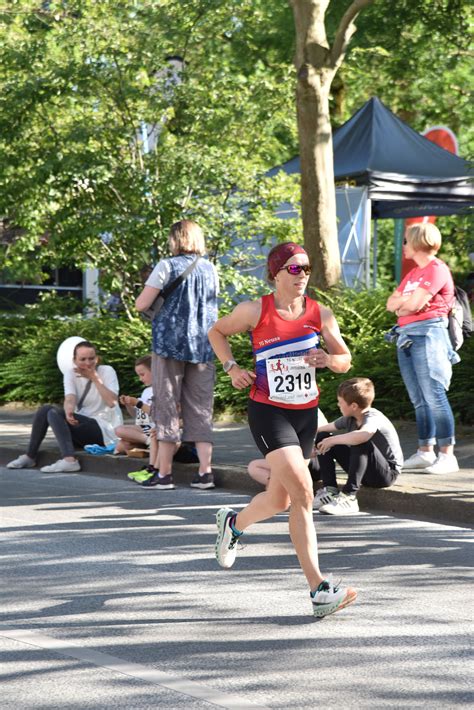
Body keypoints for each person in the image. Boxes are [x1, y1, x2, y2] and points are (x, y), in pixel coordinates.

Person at [208, 241, 357, 619]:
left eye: (307, 268)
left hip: (305, 414)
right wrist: (231, 368)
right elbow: (217, 333)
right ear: (276, 273)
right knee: (305, 492)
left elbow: (344, 359)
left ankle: (233, 523)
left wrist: (328, 358)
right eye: (294, 269)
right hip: (268, 412)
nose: (303, 275)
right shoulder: (255, 310)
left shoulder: (320, 312)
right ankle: (319, 589)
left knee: (280, 502)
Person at [135, 219, 219, 490]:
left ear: (175, 239)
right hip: (204, 346)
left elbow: (142, 304)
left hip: (168, 345)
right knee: (201, 408)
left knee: (166, 405)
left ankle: (165, 474)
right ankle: (205, 473)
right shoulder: (210, 269)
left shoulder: (167, 266)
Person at [386, 223, 460, 475]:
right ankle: (425, 452)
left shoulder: (436, 269)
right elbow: (391, 304)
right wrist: (405, 306)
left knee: (434, 395)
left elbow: (414, 304)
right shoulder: (414, 273)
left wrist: (405, 305)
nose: (403, 246)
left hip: (428, 336)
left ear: (417, 242)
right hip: (407, 336)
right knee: (419, 399)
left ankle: (447, 455)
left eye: (406, 241)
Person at [6, 340, 122, 473]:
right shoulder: (70, 374)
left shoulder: (107, 371)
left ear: (97, 359)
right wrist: (68, 411)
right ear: (74, 360)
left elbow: (112, 402)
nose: (88, 363)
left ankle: (69, 460)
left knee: (54, 413)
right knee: (46, 410)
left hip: (104, 430)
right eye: (82, 359)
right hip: (83, 426)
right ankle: (30, 456)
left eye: (91, 359)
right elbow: (70, 397)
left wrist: (95, 378)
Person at [311, 377, 403, 515]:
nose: (338, 405)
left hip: (386, 474)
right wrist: (309, 444)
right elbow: (321, 428)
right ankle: (330, 491)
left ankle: (349, 497)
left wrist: (334, 440)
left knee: (359, 439)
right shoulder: (349, 419)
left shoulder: (373, 417)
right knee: (323, 436)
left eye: (340, 402)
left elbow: (364, 434)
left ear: (353, 406)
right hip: (365, 470)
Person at [114, 355, 154, 454]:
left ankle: (150, 443)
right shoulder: (146, 392)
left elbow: (157, 414)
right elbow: (139, 418)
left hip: (157, 429)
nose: (140, 379)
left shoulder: (164, 390)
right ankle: (148, 444)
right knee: (121, 446)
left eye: (142, 374)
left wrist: (137, 403)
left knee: (119, 430)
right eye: (138, 375)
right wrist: (129, 405)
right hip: (145, 429)